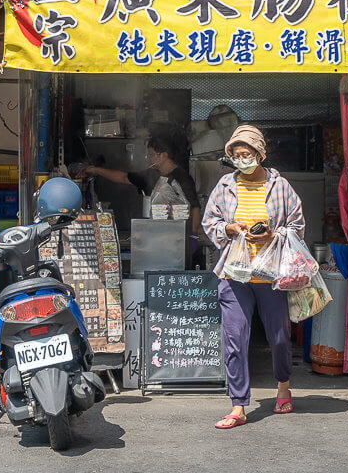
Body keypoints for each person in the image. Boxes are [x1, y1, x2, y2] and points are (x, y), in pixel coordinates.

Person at [202, 124, 304, 430]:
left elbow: (297, 225)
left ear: (260, 154)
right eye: (236, 154)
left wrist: (275, 233)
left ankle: (283, 386)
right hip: (234, 273)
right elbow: (210, 222)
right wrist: (228, 229)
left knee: (278, 337)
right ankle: (238, 406)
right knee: (234, 338)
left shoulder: (280, 186)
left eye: (247, 154)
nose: (242, 159)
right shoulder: (224, 185)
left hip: (270, 274)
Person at [74, 136, 204, 259]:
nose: (148, 159)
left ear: (163, 155)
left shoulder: (182, 178)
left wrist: (193, 235)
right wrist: (95, 170)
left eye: (151, 155)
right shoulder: (152, 175)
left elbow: (195, 208)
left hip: (179, 238)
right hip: (158, 238)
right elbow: (124, 177)